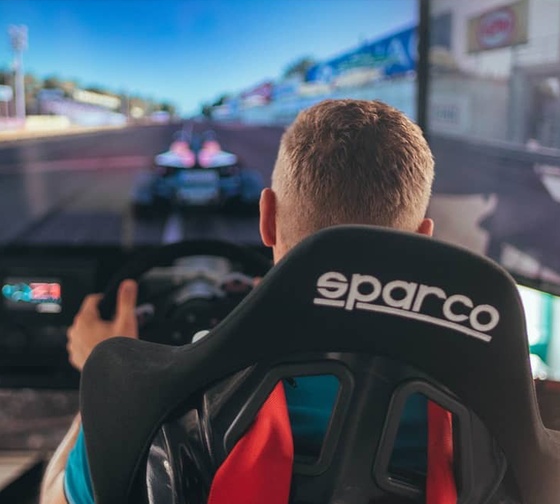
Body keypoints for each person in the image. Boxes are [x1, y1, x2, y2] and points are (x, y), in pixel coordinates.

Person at [40, 98, 435, 504]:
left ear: (267, 217)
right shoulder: (466, 393)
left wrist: (98, 381)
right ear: (422, 239)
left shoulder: (150, 399)